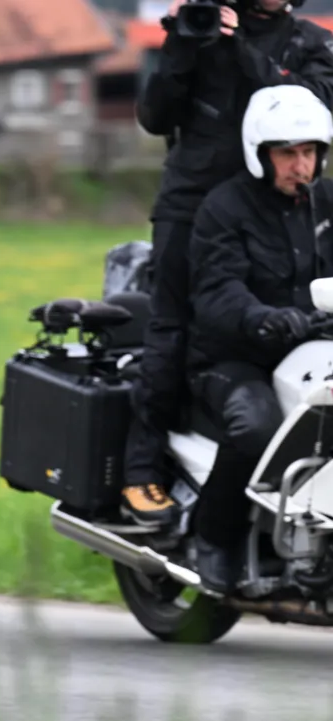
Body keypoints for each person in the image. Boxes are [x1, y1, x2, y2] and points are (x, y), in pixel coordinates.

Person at [121, 0, 333, 527]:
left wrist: (240, 47)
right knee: (170, 329)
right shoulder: (203, 30)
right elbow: (154, 116)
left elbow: (315, 108)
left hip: (273, 203)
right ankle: (140, 470)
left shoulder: (309, 42)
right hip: (191, 202)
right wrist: (185, 42)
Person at [184, 84, 333, 592]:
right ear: (260, 153)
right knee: (258, 425)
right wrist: (263, 318)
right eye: (288, 153)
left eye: (310, 152)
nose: (301, 166)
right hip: (233, 357)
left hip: (314, 351)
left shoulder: (328, 205)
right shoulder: (225, 208)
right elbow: (217, 290)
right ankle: (215, 538)